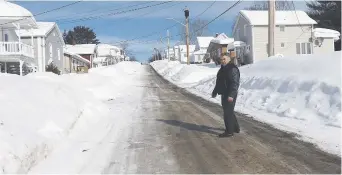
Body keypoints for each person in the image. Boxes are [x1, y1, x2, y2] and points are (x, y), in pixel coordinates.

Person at [212, 53, 240, 137]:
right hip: (224, 93)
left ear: (229, 59)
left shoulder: (232, 69)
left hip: (230, 94)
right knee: (229, 111)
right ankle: (235, 128)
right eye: (221, 59)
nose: (222, 61)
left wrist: (231, 95)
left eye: (224, 59)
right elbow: (219, 82)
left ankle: (229, 131)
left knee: (227, 113)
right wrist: (215, 91)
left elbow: (235, 83)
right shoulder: (222, 69)